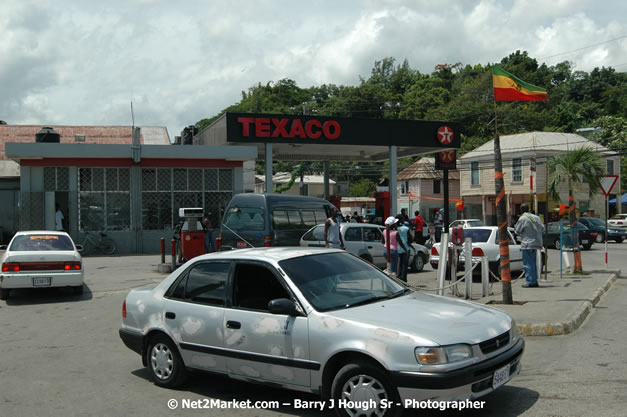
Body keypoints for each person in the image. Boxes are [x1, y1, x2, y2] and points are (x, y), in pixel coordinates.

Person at [515, 203, 545, 288]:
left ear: (521, 210)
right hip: (536, 243)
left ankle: (530, 282)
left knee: (527, 264)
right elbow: (543, 228)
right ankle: (534, 281)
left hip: (527, 244)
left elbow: (517, 231)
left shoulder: (523, 218)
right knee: (533, 264)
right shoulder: (536, 217)